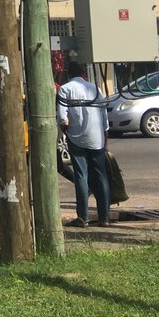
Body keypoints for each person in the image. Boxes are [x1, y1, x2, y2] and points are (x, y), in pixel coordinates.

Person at [57, 62, 110, 227]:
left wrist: (67, 133)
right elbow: (104, 117)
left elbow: (61, 117)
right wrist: (105, 138)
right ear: (84, 74)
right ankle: (105, 218)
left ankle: (83, 217)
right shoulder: (96, 89)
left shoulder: (65, 89)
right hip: (97, 139)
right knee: (101, 177)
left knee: (81, 176)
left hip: (77, 138)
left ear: (68, 73)